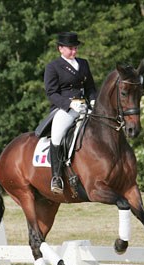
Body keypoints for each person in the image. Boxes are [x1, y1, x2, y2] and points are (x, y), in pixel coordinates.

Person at [44, 32, 97, 194]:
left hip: (84, 106)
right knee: (58, 136)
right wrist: (69, 104)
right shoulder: (53, 67)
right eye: (70, 49)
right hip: (65, 108)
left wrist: (93, 101)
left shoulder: (83, 63)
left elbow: (90, 87)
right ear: (60, 49)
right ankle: (56, 177)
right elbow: (51, 93)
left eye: (75, 48)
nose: (74, 51)